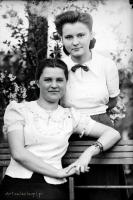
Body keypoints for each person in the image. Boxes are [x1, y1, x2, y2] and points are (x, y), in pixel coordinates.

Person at [0, 58, 121, 200]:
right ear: (38, 82)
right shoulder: (19, 110)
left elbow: (112, 133)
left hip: (52, 187)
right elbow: (18, 153)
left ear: (65, 83)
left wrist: (87, 154)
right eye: (47, 80)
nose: (54, 85)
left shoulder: (71, 116)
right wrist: (58, 173)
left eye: (59, 80)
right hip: (17, 183)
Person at [54, 10, 128, 200]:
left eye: (81, 35)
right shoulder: (59, 67)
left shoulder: (106, 65)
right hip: (69, 129)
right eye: (68, 37)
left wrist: (95, 115)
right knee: (74, 186)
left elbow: (113, 100)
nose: (75, 42)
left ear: (91, 35)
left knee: (105, 189)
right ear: (62, 39)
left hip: (102, 127)